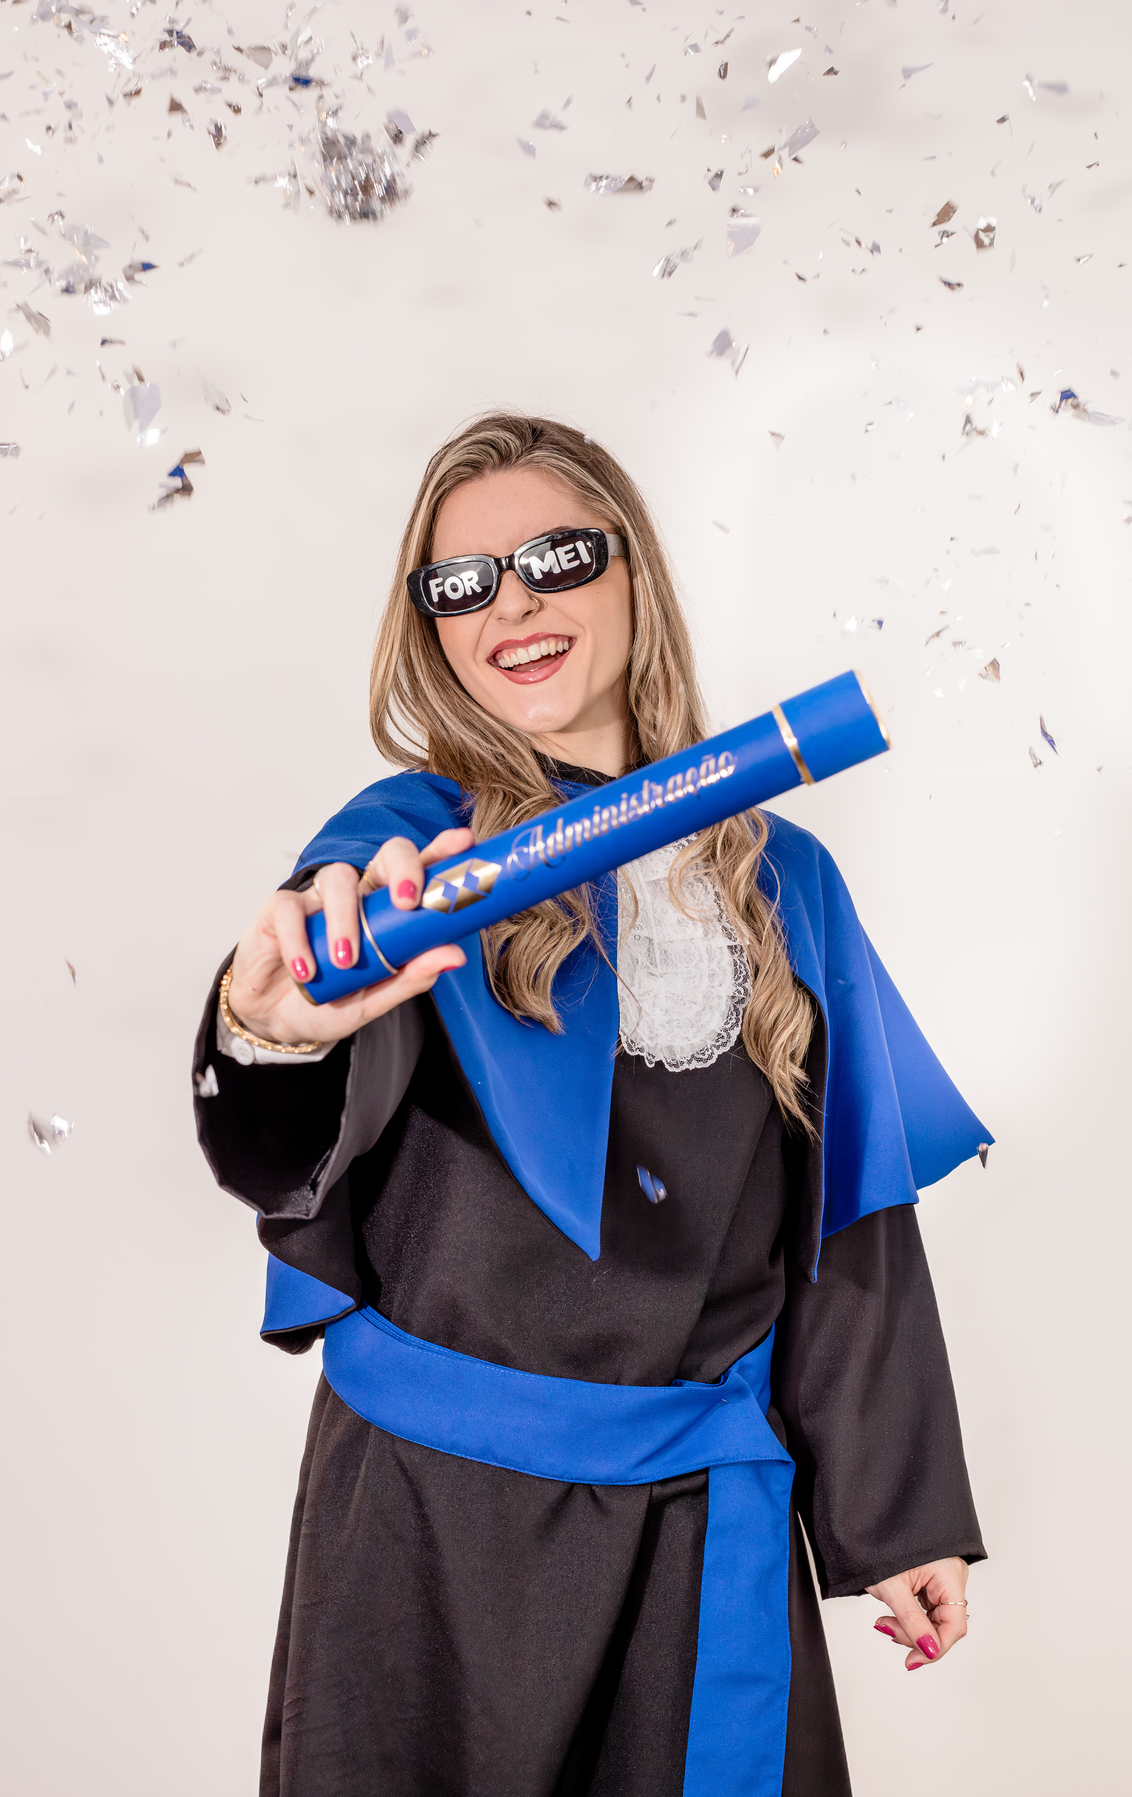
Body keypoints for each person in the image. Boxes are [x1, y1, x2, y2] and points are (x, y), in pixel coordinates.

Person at [193, 414, 988, 1797]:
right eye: (463, 583)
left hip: (694, 1524)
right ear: (431, 627)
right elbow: (288, 1088)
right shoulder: (409, 844)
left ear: (635, 571)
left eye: (556, 557)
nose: (512, 603)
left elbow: (847, 1213)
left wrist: (895, 1511)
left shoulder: (784, 878)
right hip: (428, 1525)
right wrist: (268, 1029)